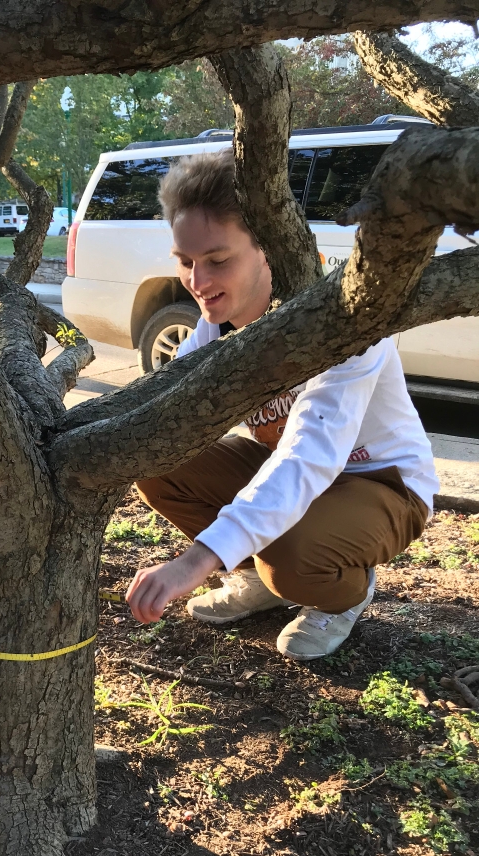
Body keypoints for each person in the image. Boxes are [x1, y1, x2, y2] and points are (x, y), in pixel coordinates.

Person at [126, 151, 438, 660]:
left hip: (383, 484)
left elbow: (309, 455)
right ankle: (259, 581)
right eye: (186, 262)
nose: (198, 283)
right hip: (295, 472)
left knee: (290, 556)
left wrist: (197, 560)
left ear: (267, 247)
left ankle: (344, 594)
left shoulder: (344, 320)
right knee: (157, 460)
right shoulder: (214, 324)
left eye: (218, 260)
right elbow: (167, 410)